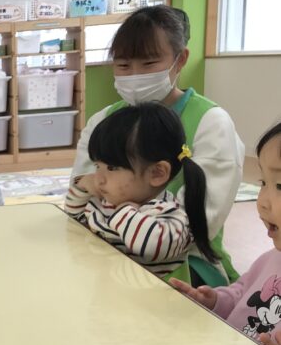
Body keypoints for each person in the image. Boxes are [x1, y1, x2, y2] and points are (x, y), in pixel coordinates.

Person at [67, 4, 244, 286]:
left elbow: (194, 228)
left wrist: (115, 216)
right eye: (123, 65)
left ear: (180, 59)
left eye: (148, 64)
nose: (134, 75)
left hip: (184, 262)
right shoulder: (104, 120)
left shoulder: (210, 122)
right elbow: (85, 190)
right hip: (107, 251)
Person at [64, 102, 216, 278]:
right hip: (104, 287)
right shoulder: (108, 201)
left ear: (157, 173)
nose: (98, 178)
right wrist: (82, 186)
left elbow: (151, 247)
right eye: (98, 166)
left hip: (150, 294)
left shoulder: (169, 214)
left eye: (112, 168)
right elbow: (74, 220)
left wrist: (123, 211)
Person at [171, 121, 281, 345]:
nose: (262, 201)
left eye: (280, 186)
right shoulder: (270, 259)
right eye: (263, 183)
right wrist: (214, 301)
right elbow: (241, 293)